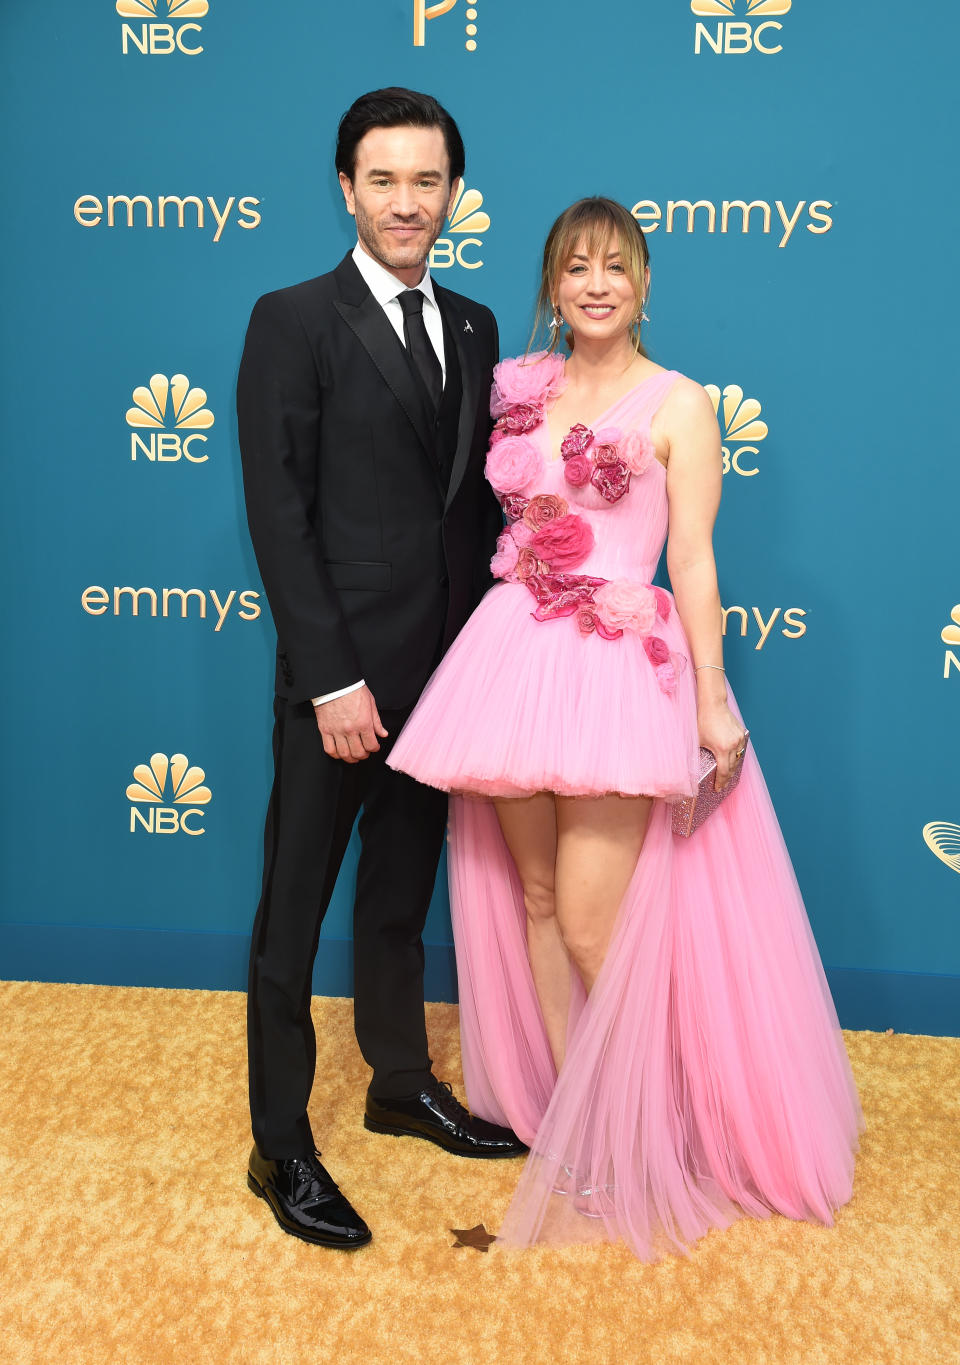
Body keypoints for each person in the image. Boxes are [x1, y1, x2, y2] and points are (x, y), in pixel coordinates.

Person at [388, 196, 863, 1260]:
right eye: (575, 268)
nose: (596, 284)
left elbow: (690, 559)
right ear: (552, 288)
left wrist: (708, 693)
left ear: (645, 284)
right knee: (542, 901)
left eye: (616, 266)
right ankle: (581, 1130)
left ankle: (661, 1126)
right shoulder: (524, 391)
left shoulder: (678, 403)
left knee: (601, 922)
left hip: (613, 660)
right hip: (514, 655)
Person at [237, 87, 525, 1252]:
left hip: (445, 680)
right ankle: (279, 1145)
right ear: (346, 188)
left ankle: (398, 1084)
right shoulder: (290, 318)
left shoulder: (476, 323)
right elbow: (279, 516)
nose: (409, 202)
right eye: (385, 179)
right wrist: (330, 680)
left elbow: (470, 511)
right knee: (292, 918)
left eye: (428, 180)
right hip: (339, 686)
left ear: (456, 192)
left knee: (401, 902)